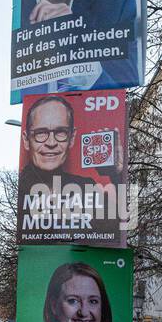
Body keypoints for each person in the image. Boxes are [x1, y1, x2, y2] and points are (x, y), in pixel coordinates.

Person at [18, 94, 122, 242]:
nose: (51, 142)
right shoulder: (19, 192)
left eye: (60, 132)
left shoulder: (87, 188)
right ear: (26, 140)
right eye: (41, 133)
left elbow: (121, 229)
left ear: (72, 138)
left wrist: (117, 176)